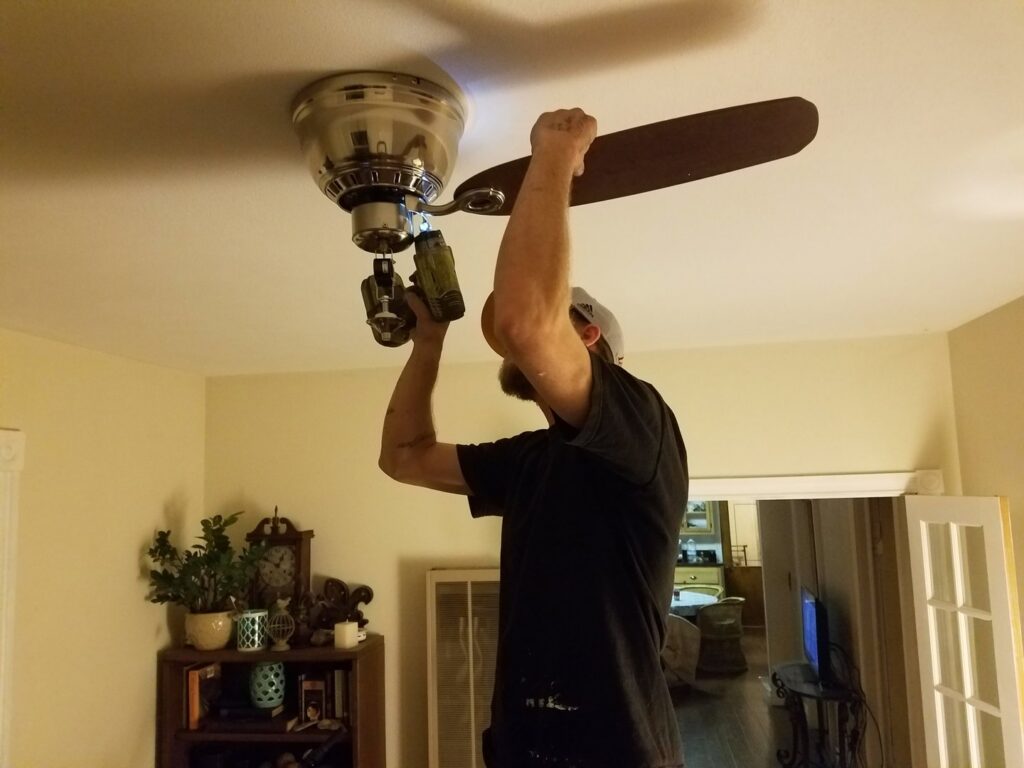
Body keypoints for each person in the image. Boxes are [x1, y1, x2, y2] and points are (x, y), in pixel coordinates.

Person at [379, 108, 688, 768]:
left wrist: (556, 154)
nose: (513, 342)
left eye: (554, 323)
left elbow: (524, 322)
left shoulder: (641, 427)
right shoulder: (531, 462)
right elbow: (403, 459)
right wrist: (428, 343)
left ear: (588, 336)